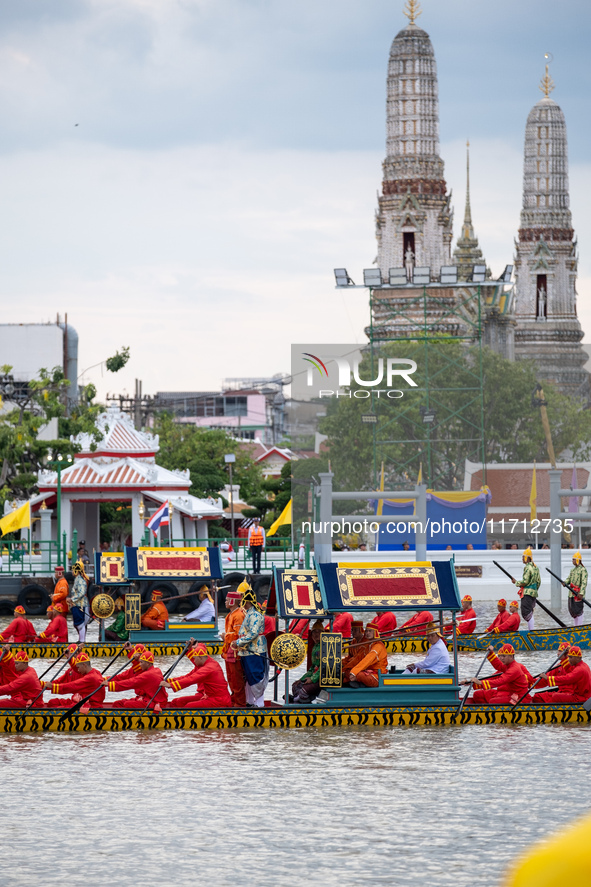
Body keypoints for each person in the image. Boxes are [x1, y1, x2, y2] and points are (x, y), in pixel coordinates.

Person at [231, 586, 268, 707]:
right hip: (247, 651)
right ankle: (250, 701)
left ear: (246, 601)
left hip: (255, 650)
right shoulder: (249, 614)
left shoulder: (255, 616)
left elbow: (253, 633)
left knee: (255, 675)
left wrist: (238, 642)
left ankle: (260, 703)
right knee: (248, 676)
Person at [163, 642, 232, 708]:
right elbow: (187, 677)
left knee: (189, 706)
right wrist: (167, 681)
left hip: (219, 700)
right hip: (210, 697)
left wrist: (170, 685)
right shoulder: (206, 662)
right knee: (177, 702)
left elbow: (191, 679)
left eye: (194, 659)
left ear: (200, 658)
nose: (194, 661)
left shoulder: (208, 668)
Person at [103, 649, 167, 710]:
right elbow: (122, 678)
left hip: (155, 703)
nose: (139, 664)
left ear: (148, 663)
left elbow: (130, 683)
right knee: (117, 703)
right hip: (146, 699)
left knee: (127, 704)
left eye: (141, 662)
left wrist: (110, 684)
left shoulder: (148, 675)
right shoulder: (156, 670)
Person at [221, 589, 246, 707]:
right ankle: (234, 700)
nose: (225, 602)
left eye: (227, 600)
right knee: (230, 678)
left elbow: (239, 635)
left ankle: (240, 703)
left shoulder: (238, 615)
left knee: (237, 680)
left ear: (232, 601)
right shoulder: (231, 614)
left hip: (237, 652)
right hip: (230, 651)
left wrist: (225, 636)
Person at [291, 620, 325, 703]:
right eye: (314, 632)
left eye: (319, 632)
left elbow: (323, 667)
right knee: (295, 685)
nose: (316, 634)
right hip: (315, 675)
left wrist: (312, 679)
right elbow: (313, 667)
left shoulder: (325, 646)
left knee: (303, 691)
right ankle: (298, 698)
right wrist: (301, 679)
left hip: (322, 678)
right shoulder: (315, 647)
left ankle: (302, 699)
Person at [348, 622, 389, 687]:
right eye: (366, 631)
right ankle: (358, 682)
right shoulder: (368, 645)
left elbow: (368, 659)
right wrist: (345, 667)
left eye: (370, 631)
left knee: (359, 675)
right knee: (348, 672)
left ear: (375, 633)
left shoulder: (378, 646)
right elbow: (358, 658)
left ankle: (358, 682)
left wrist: (354, 671)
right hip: (367, 672)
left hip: (378, 676)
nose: (367, 633)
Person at [512, 547, 540, 630]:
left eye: (523, 557)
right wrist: (534, 590)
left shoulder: (528, 567)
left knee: (526, 612)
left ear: (527, 558)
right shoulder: (535, 567)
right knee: (530, 611)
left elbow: (525, 581)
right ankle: (531, 629)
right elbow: (539, 582)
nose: (522, 559)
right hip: (533, 593)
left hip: (527, 593)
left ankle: (531, 630)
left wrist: (516, 583)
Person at [68, 560, 91, 642]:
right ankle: (81, 639)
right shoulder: (77, 579)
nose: (71, 572)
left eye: (73, 570)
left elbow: (82, 592)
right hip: (77, 604)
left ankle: (82, 641)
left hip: (80, 604)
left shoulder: (81, 580)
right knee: (78, 623)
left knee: (80, 624)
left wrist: (72, 599)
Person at [564, 551, 587, 627]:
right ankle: (576, 626)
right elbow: (569, 579)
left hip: (578, 593)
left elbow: (584, 582)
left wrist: (581, 593)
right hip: (571, 593)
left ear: (577, 560)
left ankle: (579, 626)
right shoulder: (572, 570)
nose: (572, 561)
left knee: (578, 610)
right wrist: (565, 582)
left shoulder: (583, 570)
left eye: (573, 559)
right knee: (573, 610)